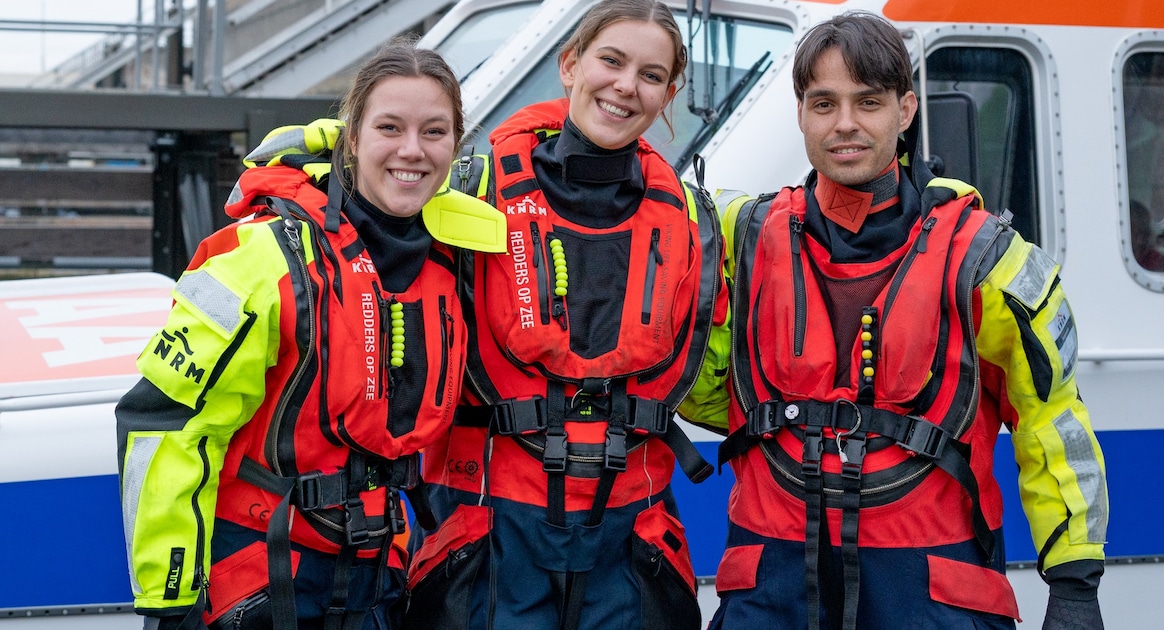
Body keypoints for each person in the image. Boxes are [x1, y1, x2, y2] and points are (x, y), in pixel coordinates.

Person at [705, 12, 1108, 630]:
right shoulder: (739, 236)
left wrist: (1075, 586)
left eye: (868, 102)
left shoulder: (988, 261)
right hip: (771, 591)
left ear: (906, 109)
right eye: (824, 103)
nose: (845, 124)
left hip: (933, 593)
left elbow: (1052, 422)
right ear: (801, 114)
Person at [115, 37, 504, 630]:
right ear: (351, 138)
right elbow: (166, 425)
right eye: (389, 127)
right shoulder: (262, 257)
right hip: (260, 577)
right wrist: (172, 602)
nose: (411, 150)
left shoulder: (457, 260)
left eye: (434, 131)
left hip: (380, 577)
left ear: (455, 145)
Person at [404, 1, 727, 629]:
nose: (626, 86)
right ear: (570, 64)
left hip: (629, 546)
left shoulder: (694, 221)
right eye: (611, 61)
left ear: (670, 94)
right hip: (491, 538)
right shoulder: (467, 193)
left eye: (652, 75)